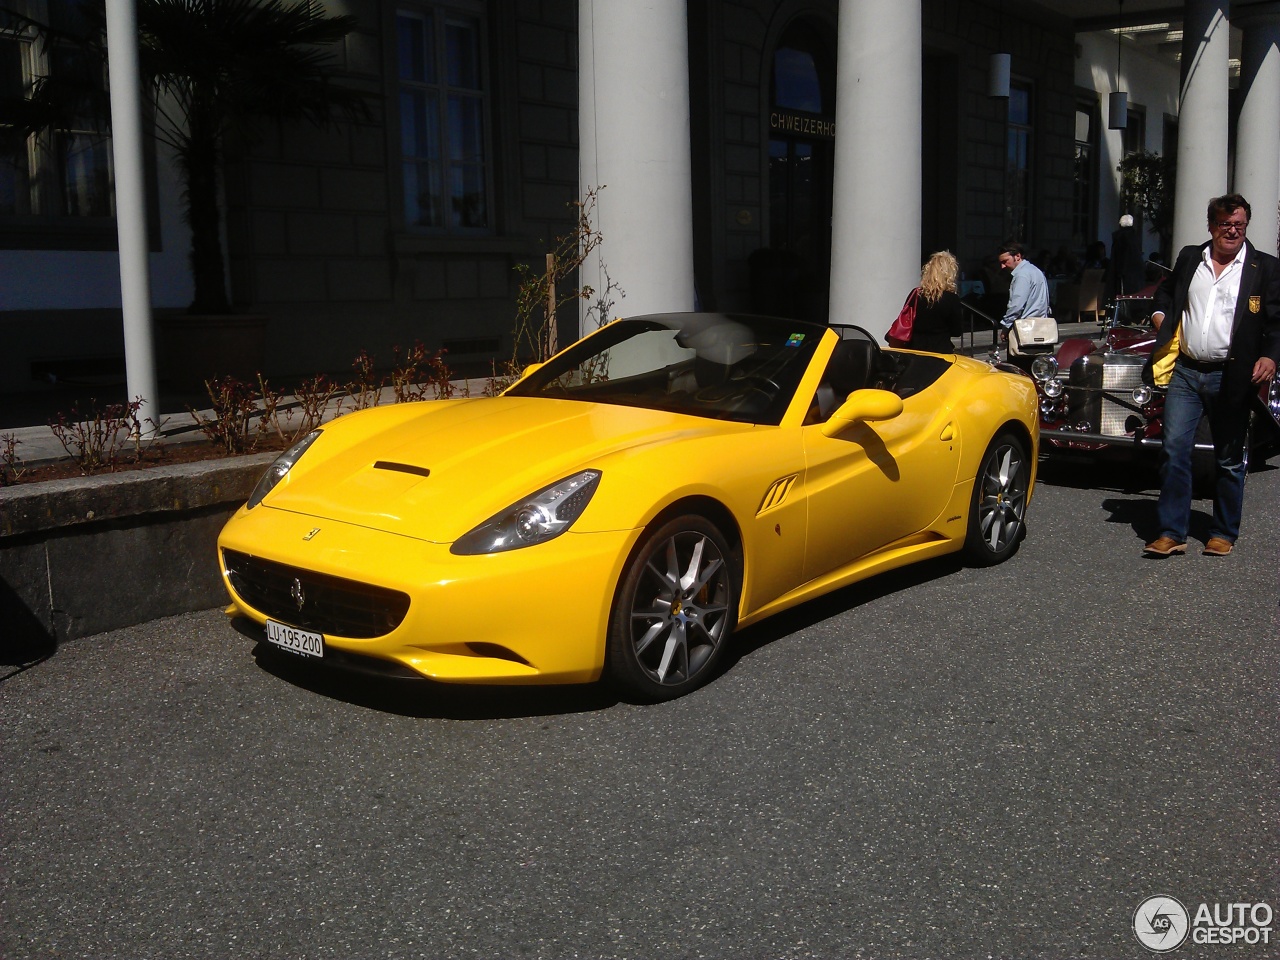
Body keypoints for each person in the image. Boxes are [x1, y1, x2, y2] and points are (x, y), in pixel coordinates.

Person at [1142, 194, 1280, 557]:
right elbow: (1166, 296)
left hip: (1230, 376)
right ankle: (1172, 531)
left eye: (1238, 225)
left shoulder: (1263, 267)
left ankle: (1223, 531)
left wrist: (1270, 356)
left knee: (1230, 457)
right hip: (1186, 371)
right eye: (1224, 224)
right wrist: (1161, 318)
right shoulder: (1191, 257)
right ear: (1211, 226)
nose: (1232, 231)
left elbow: (1276, 322)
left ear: (1245, 226)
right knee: (1174, 450)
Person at [902, 251, 966, 353]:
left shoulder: (915, 294)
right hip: (940, 349)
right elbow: (957, 330)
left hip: (914, 349)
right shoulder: (951, 298)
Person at [998, 242, 1051, 331]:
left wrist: (1006, 326)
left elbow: (1016, 305)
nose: (1002, 266)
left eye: (1005, 261)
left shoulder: (1022, 275)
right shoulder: (1036, 270)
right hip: (1041, 324)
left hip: (1026, 327)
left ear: (1017, 256)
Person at [1106, 213, 1146, 301]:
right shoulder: (1134, 238)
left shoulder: (1120, 238)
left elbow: (1118, 259)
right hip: (1135, 275)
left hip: (1122, 274)